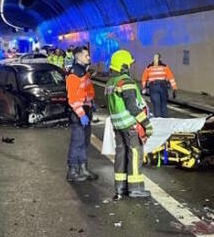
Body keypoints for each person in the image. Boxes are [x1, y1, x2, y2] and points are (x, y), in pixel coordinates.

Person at [105, 49, 152, 199]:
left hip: (117, 126)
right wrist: (146, 123)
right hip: (130, 125)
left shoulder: (110, 83)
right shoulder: (125, 82)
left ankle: (120, 187)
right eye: (129, 65)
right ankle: (135, 188)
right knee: (135, 153)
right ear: (124, 66)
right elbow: (132, 106)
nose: (130, 68)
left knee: (121, 154)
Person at [65, 46, 98, 182]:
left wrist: (91, 103)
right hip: (78, 114)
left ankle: (83, 169)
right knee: (77, 143)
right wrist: (81, 114)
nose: (88, 57)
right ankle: (72, 171)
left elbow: (87, 92)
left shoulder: (84, 73)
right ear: (78, 57)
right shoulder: (74, 75)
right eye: (86, 55)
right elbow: (73, 99)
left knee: (85, 142)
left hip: (86, 110)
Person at [141, 53, 178, 118]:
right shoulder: (164, 67)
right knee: (163, 104)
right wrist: (174, 88)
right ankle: (165, 120)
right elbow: (171, 77)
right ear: (160, 58)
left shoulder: (149, 67)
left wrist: (144, 87)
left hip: (153, 87)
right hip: (163, 86)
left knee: (156, 105)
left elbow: (144, 78)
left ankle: (158, 121)